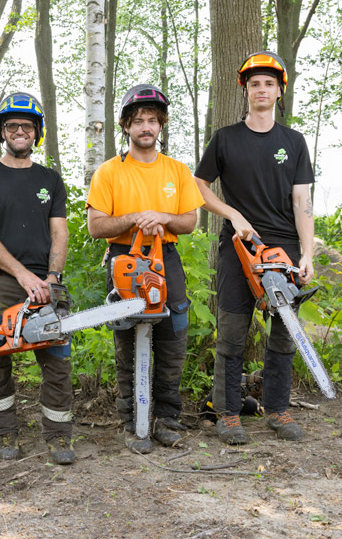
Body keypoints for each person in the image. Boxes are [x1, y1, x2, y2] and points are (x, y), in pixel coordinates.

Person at [194, 51, 315, 445]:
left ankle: (278, 409)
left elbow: (302, 202)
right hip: (239, 248)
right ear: (245, 90)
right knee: (231, 332)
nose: (261, 90)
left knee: (283, 334)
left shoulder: (293, 142)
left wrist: (307, 254)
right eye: (254, 84)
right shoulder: (225, 139)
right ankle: (228, 414)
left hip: (285, 249)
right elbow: (198, 186)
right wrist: (232, 213)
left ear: (280, 91)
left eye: (269, 83)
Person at [86, 85, 204, 452]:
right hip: (123, 257)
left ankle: (167, 418)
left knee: (172, 338)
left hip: (165, 257)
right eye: (138, 121)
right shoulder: (109, 172)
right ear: (126, 126)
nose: (146, 127)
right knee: (126, 338)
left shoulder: (177, 170)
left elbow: (189, 221)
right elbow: (96, 226)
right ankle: (131, 420)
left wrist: (162, 217)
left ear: (161, 125)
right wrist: (134, 219)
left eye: (152, 120)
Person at [0, 92, 75, 465]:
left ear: (37, 133)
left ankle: (59, 434)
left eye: (27, 126)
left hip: (46, 283)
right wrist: (23, 275)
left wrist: (52, 276)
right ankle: (4, 433)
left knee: (58, 360)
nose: (19, 132)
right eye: (12, 125)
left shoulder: (50, 179)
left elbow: (59, 233)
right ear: (2, 131)